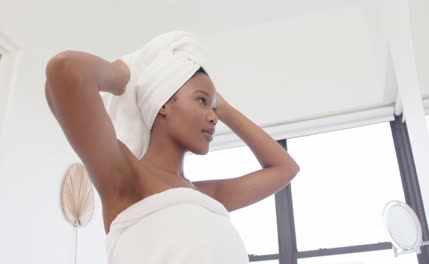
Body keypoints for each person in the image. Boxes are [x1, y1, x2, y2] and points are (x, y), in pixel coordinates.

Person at [45, 31, 299, 263]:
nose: (213, 117)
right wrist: (127, 74)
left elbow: (285, 168)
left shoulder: (206, 196)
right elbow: (66, 69)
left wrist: (221, 105)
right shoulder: (127, 177)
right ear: (163, 103)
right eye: (201, 101)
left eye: (213, 108)